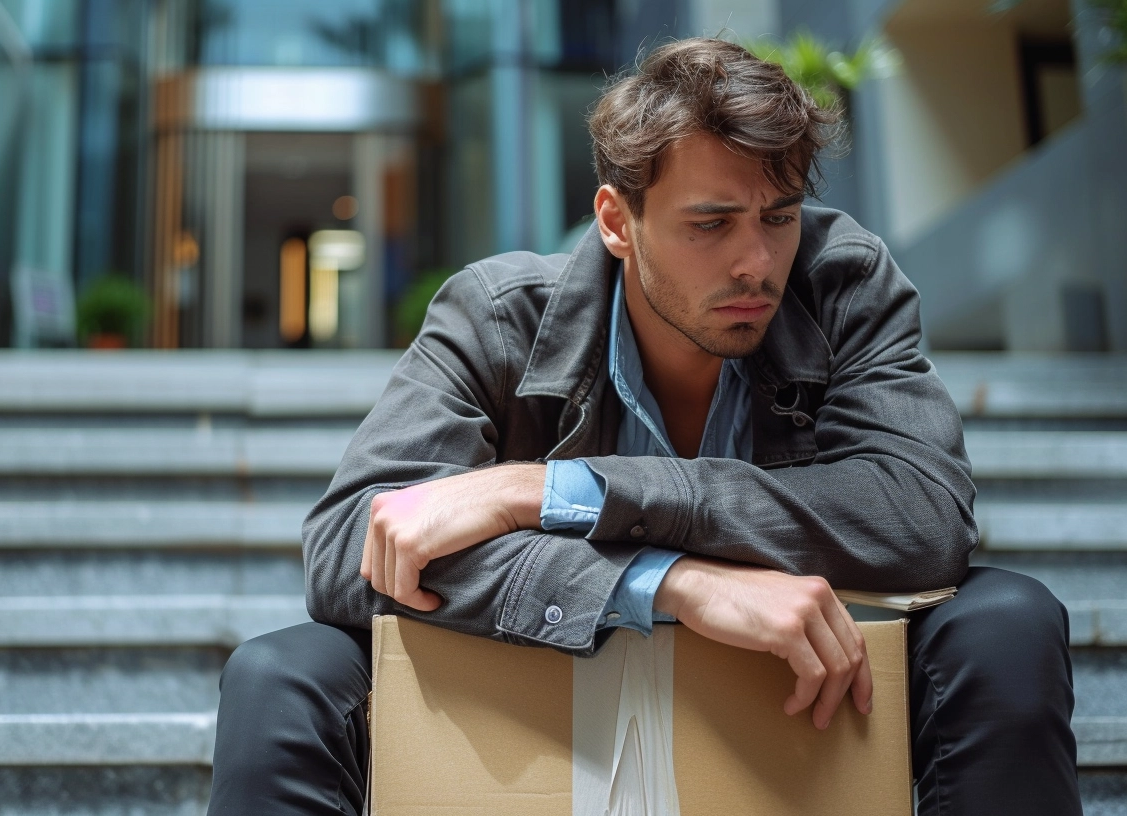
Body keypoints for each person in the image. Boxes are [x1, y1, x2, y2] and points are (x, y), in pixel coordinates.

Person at [209, 38, 1080, 816]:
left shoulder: (842, 282)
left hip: (809, 694)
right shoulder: (499, 316)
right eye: (711, 224)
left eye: (779, 219)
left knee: (1007, 621)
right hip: (544, 688)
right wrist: (673, 584)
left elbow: (921, 514)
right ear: (617, 222)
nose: (756, 262)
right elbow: (349, 547)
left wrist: (549, 490)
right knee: (281, 674)